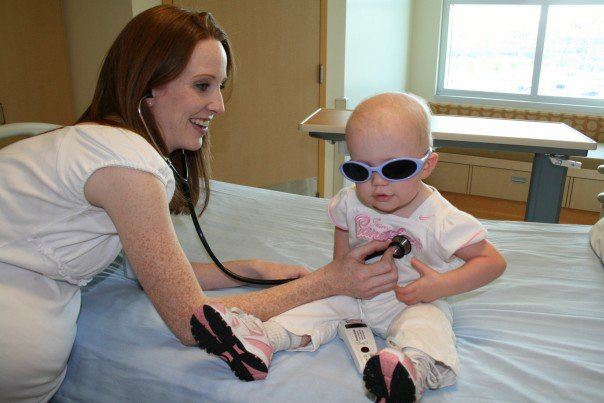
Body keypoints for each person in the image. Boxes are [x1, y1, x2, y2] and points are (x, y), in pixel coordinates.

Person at [0, 6, 400, 401]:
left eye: (220, 87)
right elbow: (194, 323)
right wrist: (326, 282)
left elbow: (153, 269)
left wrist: (248, 269)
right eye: (203, 85)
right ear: (148, 86)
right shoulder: (128, 166)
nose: (220, 106)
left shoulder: (94, 144)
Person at [195, 92, 507, 402]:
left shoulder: (442, 218)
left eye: (395, 169)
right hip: (356, 291)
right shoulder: (351, 202)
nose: (378, 183)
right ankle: (262, 340)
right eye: (361, 171)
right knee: (312, 306)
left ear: (427, 165)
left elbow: (491, 262)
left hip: (411, 300)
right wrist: (338, 279)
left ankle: (411, 369)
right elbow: (342, 244)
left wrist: (440, 286)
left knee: (430, 324)